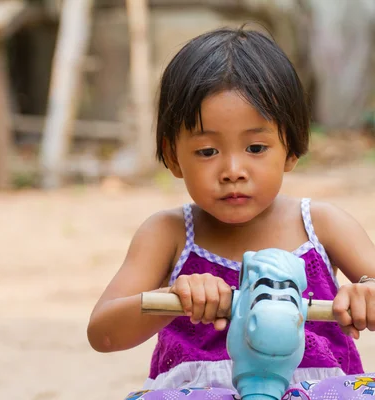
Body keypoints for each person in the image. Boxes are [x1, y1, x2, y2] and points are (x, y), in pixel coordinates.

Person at [86, 26, 375, 399]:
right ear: (173, 156)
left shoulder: (321, 225)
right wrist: (174, 298)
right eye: (207, 152)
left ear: (290, 149)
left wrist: (366, 293)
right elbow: (103, 333)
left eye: (256, 147)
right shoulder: (168, 233)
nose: (233, 170)